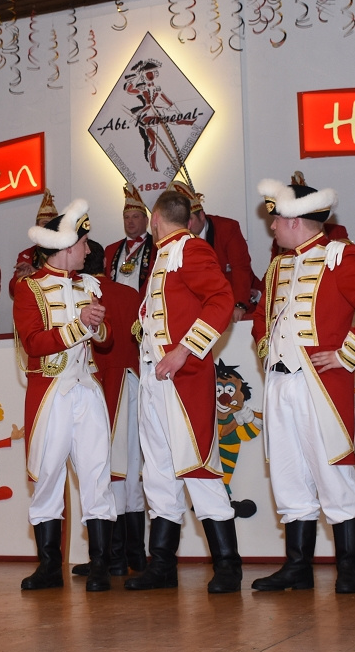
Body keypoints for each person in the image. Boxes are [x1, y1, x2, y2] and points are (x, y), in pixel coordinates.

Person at [250, 179, 355, 593]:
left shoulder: (338, 256)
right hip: (280, 382)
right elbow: (261, 317)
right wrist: (266, 349)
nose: (272, 226)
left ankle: (349, 569)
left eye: (277, 219)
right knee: (288, 474)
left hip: (320, 385)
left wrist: (347, 354)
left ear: (295, 220)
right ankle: (298, 566)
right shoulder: (277, 267)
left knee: (334, 474)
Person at [125, 189, 241, 593]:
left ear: (155, 219)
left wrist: (184, 349)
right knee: (158, 471)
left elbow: (222, 299)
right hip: (154, 380)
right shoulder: (161, 255)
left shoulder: (191, 249)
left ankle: (228, 565)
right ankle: (162, 564)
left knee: (199, 467)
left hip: (183, 380)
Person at [12, 199, 119, 591]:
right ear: (65, 246)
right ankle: (49, 567)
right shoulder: (29, 289)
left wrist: (98, 326)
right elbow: (33, 343)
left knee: (96, 475)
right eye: (83, 243)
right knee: (47, 477)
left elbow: (105, 340)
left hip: (87, 391)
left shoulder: (89, 285)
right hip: (52, 395)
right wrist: (79, 325)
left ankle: (100, 566)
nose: (88, 251)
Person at [91, 261, 146, 575]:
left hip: (107, 385)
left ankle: (113, 557)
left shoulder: (86, 293)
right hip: (136, 379)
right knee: (133, 471)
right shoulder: (129, 293)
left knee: (110, 471)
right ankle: (134, 554)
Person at [170, 179, 255, 321]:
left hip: (233, 301)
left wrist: (239, 304)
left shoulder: (227, 229)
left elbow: (241, 269)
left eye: (190, 219)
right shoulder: (176, 237)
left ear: (202, 216)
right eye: (183, 221)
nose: (187, 226)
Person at [104, 183, 155, 292]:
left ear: (146, 221)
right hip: (117, 301)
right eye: (126, 217)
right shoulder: (110, 250)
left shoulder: (156, 247)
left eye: (135, 217)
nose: (130, 221)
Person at [10, 188, 60, 297]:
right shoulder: (27, 254)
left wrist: (35, 273)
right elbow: (13, 291)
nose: (48, 227)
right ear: (37, 226)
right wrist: (20, 277)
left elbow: (66, 282)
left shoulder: (65, 252)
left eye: (52, 224)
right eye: (45, 223)